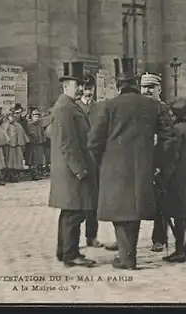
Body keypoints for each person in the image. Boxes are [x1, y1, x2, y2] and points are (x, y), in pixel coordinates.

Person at [88, 58, 176, 270]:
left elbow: (93, 142)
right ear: (137, 83)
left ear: (118, 84)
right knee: (133, 210)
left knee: (121, 212)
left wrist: (102, 164)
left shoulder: (107, 107)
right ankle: (128, 255)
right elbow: (169, 138)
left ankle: (127, 258)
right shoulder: (153, 106)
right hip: (142, 167)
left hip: (114, 169)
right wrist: (156, 162)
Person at [49, 61, 98, 268]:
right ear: (66, 85)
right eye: (77, 84)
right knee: (75, 213)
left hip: (69, 170)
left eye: (81, 84)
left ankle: (64, 251)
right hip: (72, 171)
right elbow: (67, 143)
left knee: (69, 212)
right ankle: (71, 254)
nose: (80, 88)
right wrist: (79, 170)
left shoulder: (68, 106)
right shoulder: (65, 108)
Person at [140, 71, 175, 253]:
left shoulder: (162, 109)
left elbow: (168, 139)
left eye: (150, 87)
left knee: (161, 202)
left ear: (159, 89)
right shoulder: (138, 108)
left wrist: (159, 165)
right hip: (139, 162)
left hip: (157, 164)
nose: (146, 90)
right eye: (144, 87)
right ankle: (126, 237)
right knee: (132, 200)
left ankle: (159, 238)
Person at [159, 97, 186, 263]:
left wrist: (162, 177)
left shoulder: (175, 131)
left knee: (178, 216)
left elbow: (171, 158)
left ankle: (179, 250)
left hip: (177, 178)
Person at [76, 73, 104, 249]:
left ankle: (91, 235)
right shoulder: (75, 107)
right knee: (77, 200)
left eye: (91, 89)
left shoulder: (99, 108)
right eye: (86, 89)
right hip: (80, 158)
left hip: (95, 160)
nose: (88, 92)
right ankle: (73, 238)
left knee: (93, 201)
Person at [2, 110, 30, 183]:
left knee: (17, 160)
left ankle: (16, 174)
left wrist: (22, 142)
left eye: (13, 116)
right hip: (9, 146)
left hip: (17, 145)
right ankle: (9, 175)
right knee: (9, 160)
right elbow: (4, 134)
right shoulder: (5, 125)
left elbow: (22, 133)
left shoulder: (18, 125)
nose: (12, 118)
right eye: (11, 116)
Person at [27, 110, 48, 180]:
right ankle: (34, 174)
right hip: (33, 145)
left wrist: (43, 140)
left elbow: (42, 134)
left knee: (39, 160)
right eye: (35, 117)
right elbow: (30, 134)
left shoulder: (39, 125)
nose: (36, 118)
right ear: (32, 117)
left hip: (40, 144)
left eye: (37, 117)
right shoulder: (29, 125)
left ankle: (38, 173)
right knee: (33, 160)